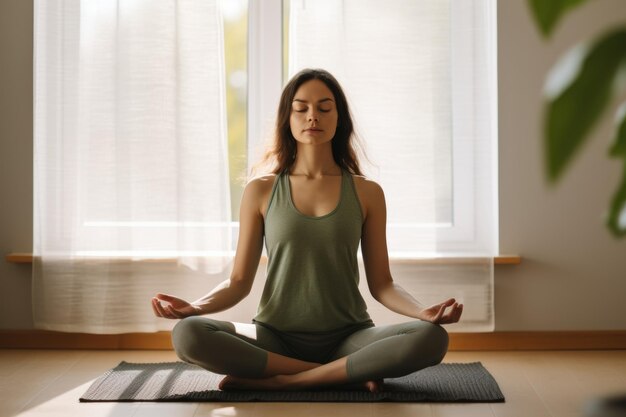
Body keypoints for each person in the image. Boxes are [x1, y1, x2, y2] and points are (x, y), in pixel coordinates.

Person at [152, 68, 463, 392]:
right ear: (288, 118)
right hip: (274, 338)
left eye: (324, 108)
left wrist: (422, 312)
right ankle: (344, 374)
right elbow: (238, 282)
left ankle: (283, 382)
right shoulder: (261, 191)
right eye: (301, 108)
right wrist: (195, 308)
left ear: (339, 118)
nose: (312, 116)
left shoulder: (367, 192)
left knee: (431, 338)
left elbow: (383, 285)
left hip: (350, 337)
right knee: (187, 334)